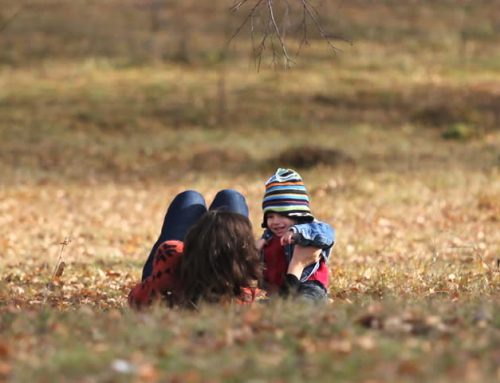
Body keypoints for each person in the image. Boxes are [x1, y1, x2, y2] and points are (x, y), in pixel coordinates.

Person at [128, 189, 264, 309]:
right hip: (230, 275)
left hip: (177, 274)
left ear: (193, 238)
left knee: (190, 197)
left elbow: (136, 299)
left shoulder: (171, 254)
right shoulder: (241, 286)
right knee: (231, 197)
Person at [256, 168, 335, 301]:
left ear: (298, 215)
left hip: (309, 284)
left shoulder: (309, 228)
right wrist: (260, 243)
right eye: (270, 216)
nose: (275, 222)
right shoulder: (269, 236)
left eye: (282, 215)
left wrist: (297, 233)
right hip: (280, 288)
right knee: (268, 305)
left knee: (305, 301)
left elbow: (327, 234)